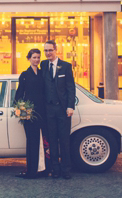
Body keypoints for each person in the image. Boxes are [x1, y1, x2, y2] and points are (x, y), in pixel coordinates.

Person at [41, 40, 76, 180]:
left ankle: (66, 169)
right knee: (52, 140)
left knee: (64, 140)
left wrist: (70, 106)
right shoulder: (43, 65)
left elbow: (70, 88)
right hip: (48, 110)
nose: (48, 53)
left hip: (62, 110)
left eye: (50, 50)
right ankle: (55, 169)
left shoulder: (66, 66)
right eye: (46, 51)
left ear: (56, 51)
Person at [14, 48, 48, 179]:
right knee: (32, 142)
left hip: (42, 113)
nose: (37, 60)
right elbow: (19, 94)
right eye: (34, 57)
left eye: (38, 57)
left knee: (43, 141)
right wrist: (20, 110)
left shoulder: (42, 73)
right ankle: (32, 171)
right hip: (29, 114)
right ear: (29, 58)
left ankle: (43, 169)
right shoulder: (24, 74)